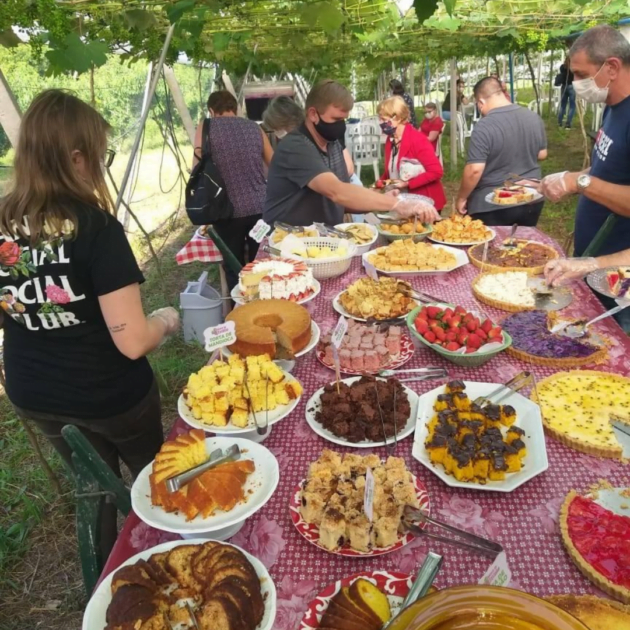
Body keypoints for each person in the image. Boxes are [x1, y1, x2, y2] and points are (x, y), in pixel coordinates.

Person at [0, 89, 180, 560]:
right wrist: (165, 319)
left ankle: (102, 572)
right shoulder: (96, 228)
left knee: (94, 486)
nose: (102, 164)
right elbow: (133, 342)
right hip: (110, 395)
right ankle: (168, 551)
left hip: (36, 393)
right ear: (78, 159)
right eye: (101, 155)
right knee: (155, 481)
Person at [539, 25, 630, 329]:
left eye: (580, 74)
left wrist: (580, 183)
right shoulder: (614, 108)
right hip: (592, 261)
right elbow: (608, 168)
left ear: (612, 67)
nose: (576, 83)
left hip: (618, 281)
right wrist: (572, 177)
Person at [264, 80, 440, 227]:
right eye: (336, 119)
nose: (340, 126)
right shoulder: (295, 147)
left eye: (344, 119)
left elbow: (343, 199)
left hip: (320, 241)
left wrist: (379, 199)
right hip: (287, 245)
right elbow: (337, 191)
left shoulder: (332, 144)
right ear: (313, 114)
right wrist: (397, 204)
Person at [193, 90, 274, 290]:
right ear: (235, 108)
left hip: (226, 213)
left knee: (234, 264)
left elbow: (196, 167)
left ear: (211, 110)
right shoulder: (254, 128)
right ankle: (266, 299)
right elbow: (273, 162)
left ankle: (240, 308)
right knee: (261, 261)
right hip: (259, 210)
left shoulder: (206, 127)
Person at [455, 76, 548, 226]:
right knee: (522, 245)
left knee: (492, 247)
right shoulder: (533, 117)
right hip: (531, 198)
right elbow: (542, 154)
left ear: (481, 102)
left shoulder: (484, 126)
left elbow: (474, 170)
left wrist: (461, 198)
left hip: (492, 203)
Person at [377, 97, 446, 211]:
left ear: (398, 118)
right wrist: (377, 185)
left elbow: (436, 171)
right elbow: (391, 171)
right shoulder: (391, 140)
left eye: (383, 119)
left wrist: (408, 183)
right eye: (379, 118)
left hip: (425, 204)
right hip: (402, 203)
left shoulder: (417, 140)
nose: (380, 123)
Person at [556, 57, 576, 129]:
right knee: (572, 106)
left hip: (564, 86)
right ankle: (568, 124)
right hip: (572, 86)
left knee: (563, 105)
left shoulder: (562, 67)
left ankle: (560, 123)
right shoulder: (574, 67)